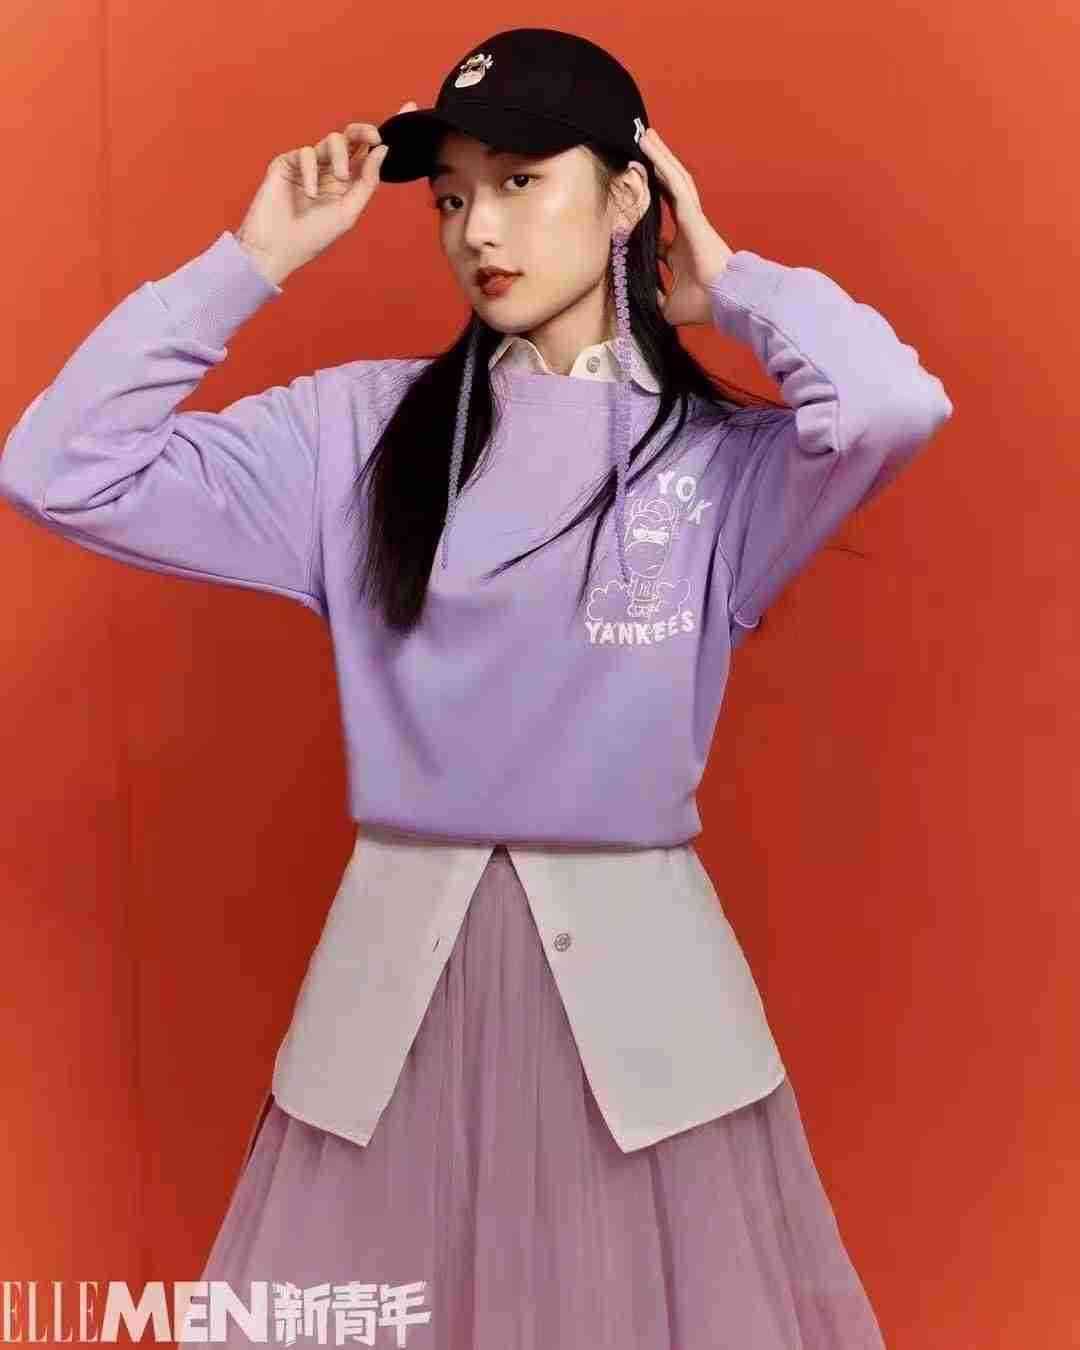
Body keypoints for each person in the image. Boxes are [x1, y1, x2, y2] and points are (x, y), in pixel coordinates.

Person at [0, 25, 953, 1349]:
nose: (477, 229)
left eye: (519, 181)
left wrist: (732, 289)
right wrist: (250, 261)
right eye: (450, 197)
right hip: (386, 1028)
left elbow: (893, 404)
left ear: (627, 196)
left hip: (651, 1034)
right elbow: (56, 467)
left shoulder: (718, 462)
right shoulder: (355, 434)